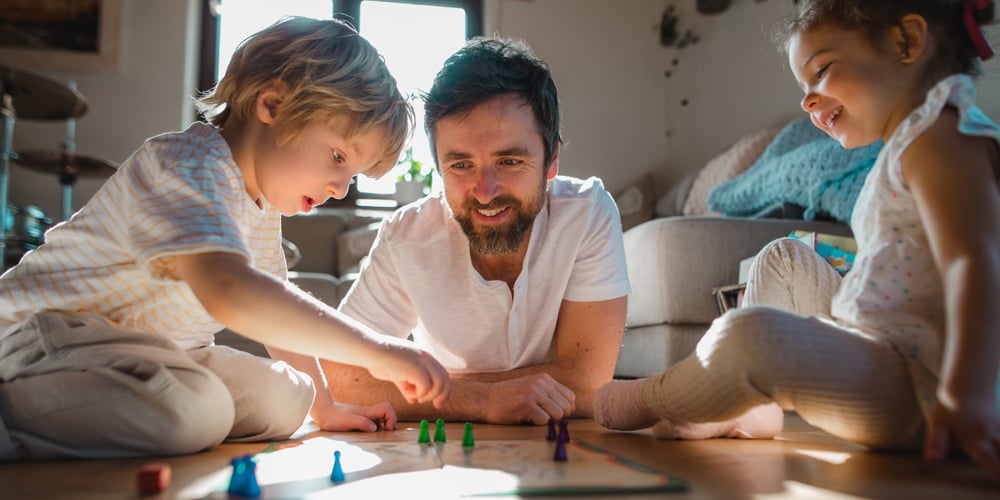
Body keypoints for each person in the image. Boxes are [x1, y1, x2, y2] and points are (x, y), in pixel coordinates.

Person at [0, 17, 451, 461]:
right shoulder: (188, 164)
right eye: (337, 156)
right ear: (272, 105)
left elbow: (277, 307)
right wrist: (378, 351)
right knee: (196, 414)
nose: (340, 188)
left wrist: (326, 408)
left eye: (351, 174)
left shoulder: (259, 204)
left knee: (289, 398)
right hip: (44, 340)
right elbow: (230, 290)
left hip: (154, 353)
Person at [593, 0, 1000, 480]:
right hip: (892, 346)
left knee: (750, 337)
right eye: (803, 88)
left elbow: (973, 262)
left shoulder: (939, 136)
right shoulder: (914, 139)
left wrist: (965, 391)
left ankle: (652, 395)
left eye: (822, 71)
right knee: (784, 256)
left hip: (923, 384)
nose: (808, 100)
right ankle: (749, 407)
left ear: (905, 42)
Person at [301, 37, 631, 425]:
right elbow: (340, 375)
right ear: (439, 167)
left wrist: (441, 390)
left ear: (552, 159)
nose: (485, 191)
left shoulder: (588, 212)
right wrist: (478, 400)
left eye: (509, 161)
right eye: (460, 166)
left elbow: (587, 381)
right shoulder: (406, 236)